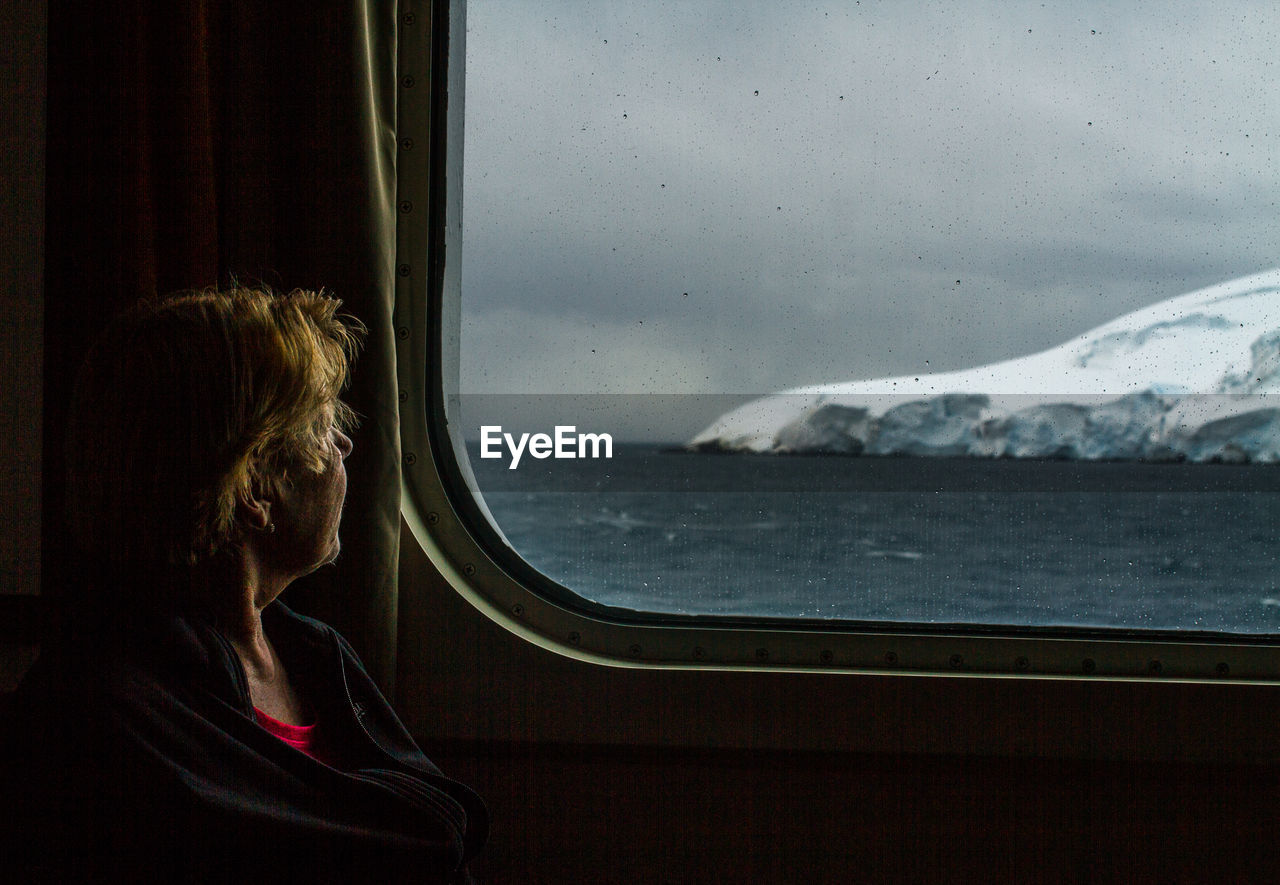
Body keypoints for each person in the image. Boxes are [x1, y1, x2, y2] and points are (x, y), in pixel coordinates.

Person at [2, 287, 486, 882]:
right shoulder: (94, 714)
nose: (345, 447)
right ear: (255, 487)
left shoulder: (314, 653)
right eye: (324, 425)